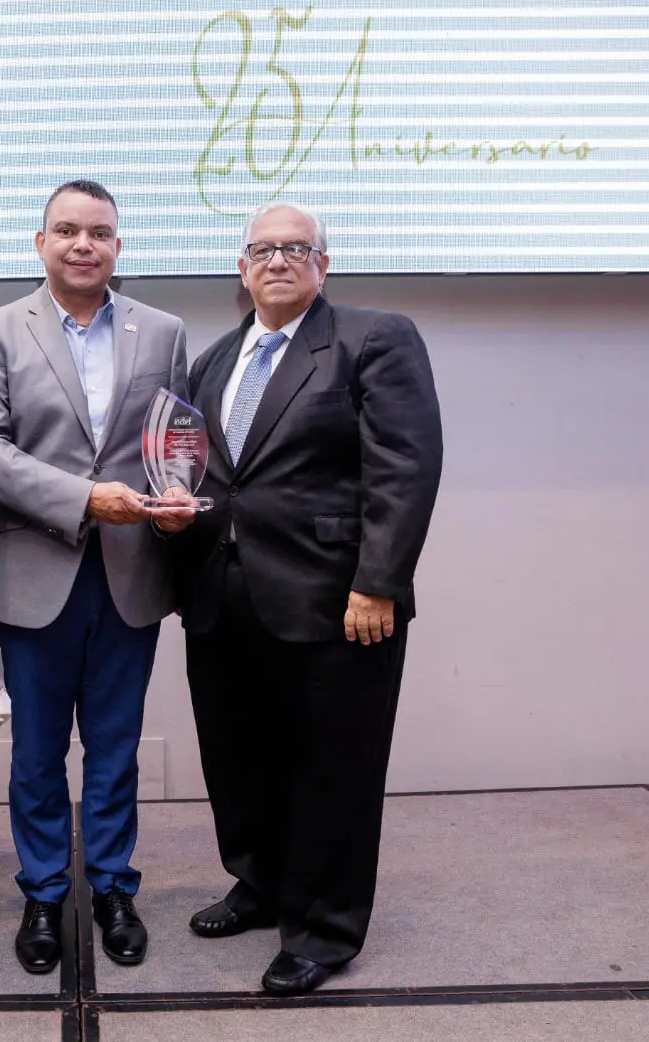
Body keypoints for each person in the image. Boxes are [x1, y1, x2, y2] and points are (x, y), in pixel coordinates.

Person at [168, 202, 443, 996]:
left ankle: (323, 928)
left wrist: (378, 583)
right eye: (264, 249)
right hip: (222, 600)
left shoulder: (373, 338)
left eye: (298, 249)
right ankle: (260, 886)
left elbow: (406, 467)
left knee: (332, 770)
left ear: (325, 264)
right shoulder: (217, 358)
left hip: (337, 602)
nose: (279, 260)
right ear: (242, 266)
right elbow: (205, 471)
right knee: (240, 757)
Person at [0, 180, 187, 974]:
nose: (84, 244)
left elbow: (175, 443)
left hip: (131, 576)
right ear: (40, 243)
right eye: (67, 231)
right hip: (34, 571)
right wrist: (84, 498)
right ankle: (45, 894)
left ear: (118, 246)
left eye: (100, 233)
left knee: (116, 749)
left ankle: (116, 887)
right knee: (37, 755)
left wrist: (175, 499)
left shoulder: (164, 331)